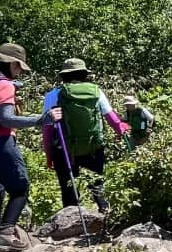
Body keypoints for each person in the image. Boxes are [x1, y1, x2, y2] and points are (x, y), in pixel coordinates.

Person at [0, 43, 59, 252]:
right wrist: (41, 120)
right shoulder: (3, 84)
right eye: (18, 67)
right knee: (19, 188)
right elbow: (7, 120)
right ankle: (6, 233)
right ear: (11, 64)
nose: (19, 72)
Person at [42, 58, 128, 214]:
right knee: (97, 185)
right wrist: (123, 131)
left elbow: (47, 129)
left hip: (63, 148)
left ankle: (71, 220)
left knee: (68, 187)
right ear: (84, 74)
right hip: (93, 146)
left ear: (63, 76)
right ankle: (105, 214)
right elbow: (111, 118)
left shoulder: (52, 95)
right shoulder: (96, 91)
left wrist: (49, 154)